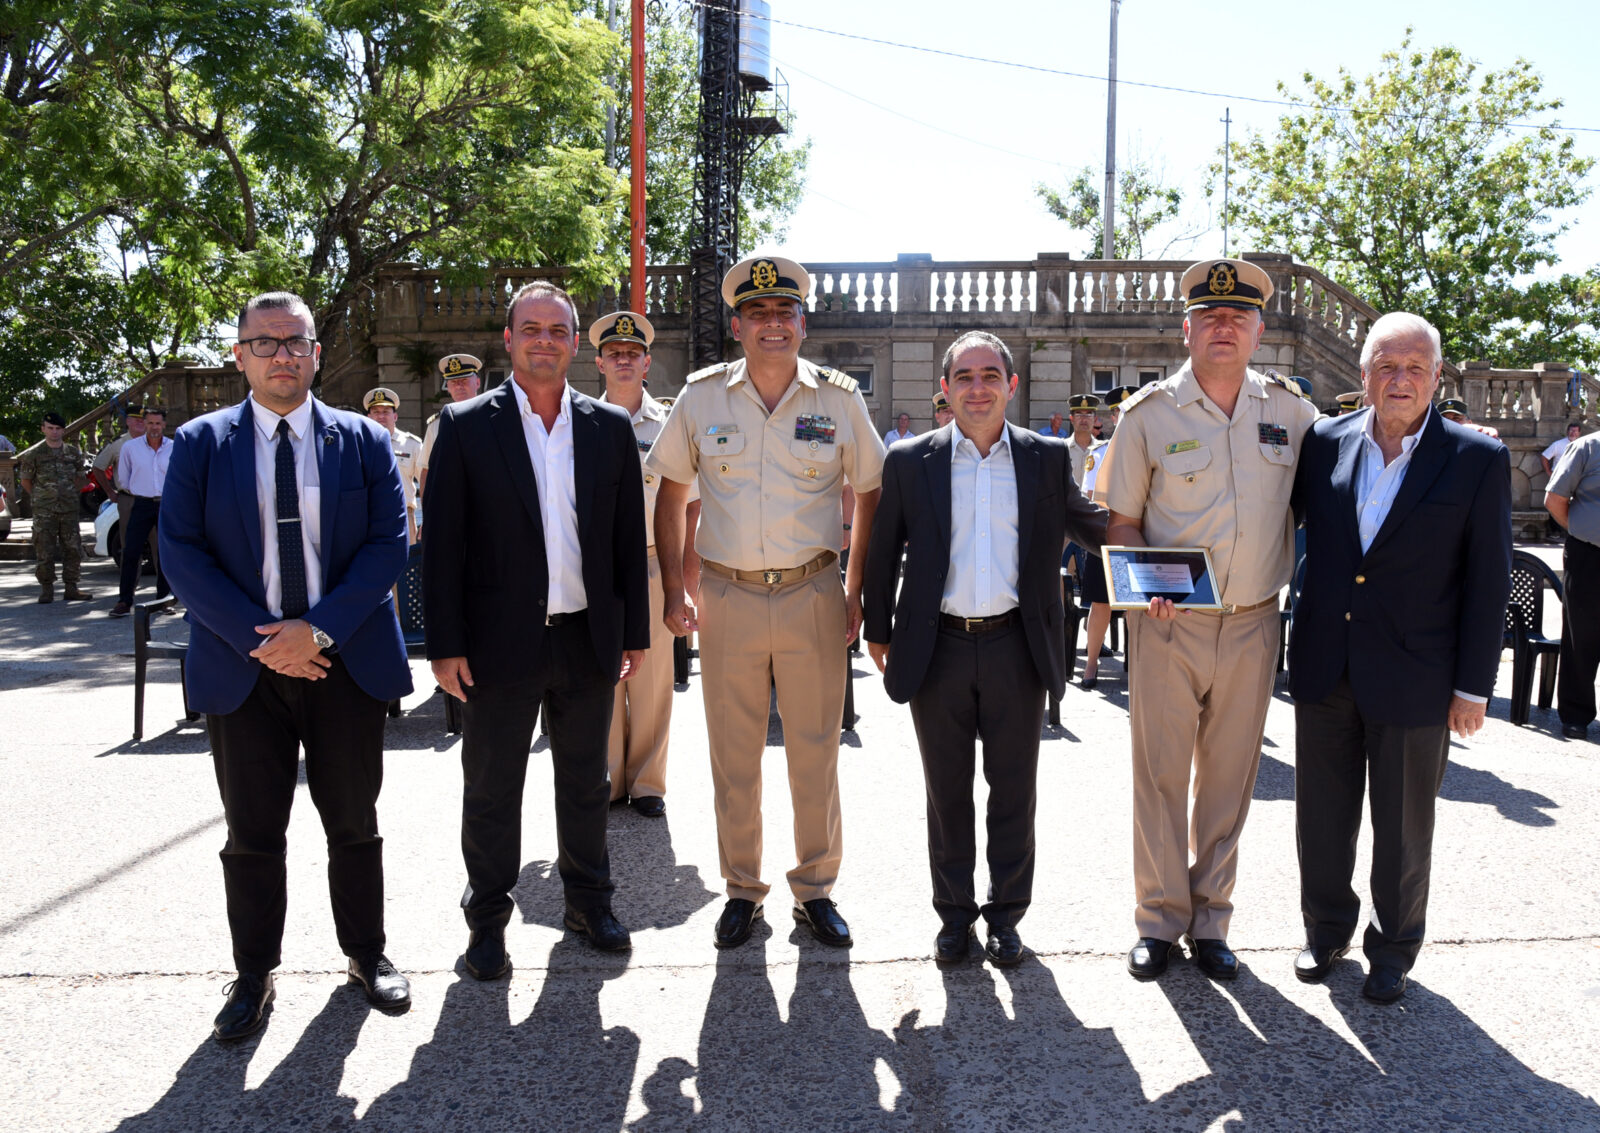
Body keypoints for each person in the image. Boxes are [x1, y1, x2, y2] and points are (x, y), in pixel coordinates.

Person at [159, 291, 414, 1042]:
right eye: (264, 342)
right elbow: (181, 553)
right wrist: (268, 641)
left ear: (314, 353)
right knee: (252, 833)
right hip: (244, 670)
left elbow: (388, 543)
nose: (281, 355)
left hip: (343, 664)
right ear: (239, 355)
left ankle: (366, 954)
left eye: (294, 341)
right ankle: (253, 974)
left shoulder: (363, 440)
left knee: (354, 823)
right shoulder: (199, 444)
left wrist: (318, 632)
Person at [648, 255, 885, 950]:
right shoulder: (701, 398)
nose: (772, 324)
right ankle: (742, 890)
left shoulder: (839, 400)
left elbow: (870, 490)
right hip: (729, 595)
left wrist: (857, 588)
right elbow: (671, 493)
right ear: (737, 326)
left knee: (815, 751)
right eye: (757, 313)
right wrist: (674, 587)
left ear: (803, 323)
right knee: (734, 755)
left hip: (813, 590)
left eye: (784, 312)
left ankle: (815, 890)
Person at [423, 280, 649, 976]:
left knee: (586, 782)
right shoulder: (465, 427)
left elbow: (625, 542)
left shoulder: (608, 427)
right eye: (531, 328)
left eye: (557, 330)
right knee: (492, 787)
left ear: (575, 343)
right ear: (509, 339)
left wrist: (634, 633)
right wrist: (445, 645)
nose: (544, 340)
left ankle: (589, 903)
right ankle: (488, 920)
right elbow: (443, 547)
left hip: (586, 637)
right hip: (497, 644)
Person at [1101, 257, 1318, 982]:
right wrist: (1143, 585)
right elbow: (1122, 521)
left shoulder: (1293, 413)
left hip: (1254, 621)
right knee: (1159, 775)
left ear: (1258, 329)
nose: (1224, 327)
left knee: (1228, 781)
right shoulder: (1147, 415)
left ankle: (1212, 919)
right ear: (1187, 329)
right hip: (1169, 623)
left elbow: (1326, 500)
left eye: (1238, 317)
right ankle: (1159, 920)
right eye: (1210, 316)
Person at [863, 331, 1107, 967]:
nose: (978, 388)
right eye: (964, 377)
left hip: (1016, 647)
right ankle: (954, 916)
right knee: (946, 795)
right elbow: (883, 551)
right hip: (938, 647)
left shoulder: (1045, 457)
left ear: (1011, 385)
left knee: (1013, 793)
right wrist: (878, 630)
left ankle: (1006, 916)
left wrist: (1171, 546)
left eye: (990, 375)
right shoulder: (909, 460)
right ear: (944, 388)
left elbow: (1092, 525)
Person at [1289, 312, 1511, 1003]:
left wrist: (1473, 686)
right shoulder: (1324, 442)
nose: (1400, 379)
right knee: (1321, 816)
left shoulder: (1476, 458)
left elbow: (1488, 579)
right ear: (1363, 375)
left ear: (1437, 376)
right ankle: (1326, 930)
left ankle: (1393, 947)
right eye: (1386, 366)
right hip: (1326, 665)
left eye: (1415, 367)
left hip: (1417, 674)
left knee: (1405, 826)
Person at [591, 310, 700, 818]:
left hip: (655, 565)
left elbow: (692, 505)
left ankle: (648, 783)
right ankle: (609, 779)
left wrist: (687, 581)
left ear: (647, 362)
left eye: (632, 353)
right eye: (614, 353)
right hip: (597, 571)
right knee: (603, 674)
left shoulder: (669, 424)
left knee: (654, 679)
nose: (623, 360)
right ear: (599, 363)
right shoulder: (580, 421)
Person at [1545, 430, 1600, 740]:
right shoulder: (1587, 448)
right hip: (1589, 555)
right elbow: (1555, 500)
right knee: (1582, 634)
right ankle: (1576, 715)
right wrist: (1582, 531)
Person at [18, 411, 93, 604]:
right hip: (45, 511)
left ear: (63, 431)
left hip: (69, 510)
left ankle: (71, 588)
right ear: (43, 429)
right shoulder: (34, 454)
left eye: (58, 428)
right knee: (44, 550)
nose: (54, 432)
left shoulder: (72, 453)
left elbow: (80, 477)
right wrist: (41, 497)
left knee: (72, 549)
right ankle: (47, 589)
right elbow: (26, 481)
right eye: (50, 428)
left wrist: (69, 493)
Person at [109, 408, 174, 617]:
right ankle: (124, 601)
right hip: (141, 503)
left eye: (158, 423)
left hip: (166, 504)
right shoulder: (130, 448)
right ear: (144, 424)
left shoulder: (173, 447)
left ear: (164, 425)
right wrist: (140, 490)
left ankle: (164, 599)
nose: (154, 427)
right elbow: (124, 478)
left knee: (165, 553)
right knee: (130, 552)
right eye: (150, 423)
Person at [93, 406, 163, 585]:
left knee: (160, 545)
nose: (140, 422)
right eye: (135, 419)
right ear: (128, 421)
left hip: (155, 500)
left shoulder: (159, 442)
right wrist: (110, 492)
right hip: (129, 500)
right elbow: (98, 467)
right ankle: (129, 589)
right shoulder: (119, 445)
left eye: (142, 419)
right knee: (130, 546)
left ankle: (165, 591)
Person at [419, 353, 484, 501]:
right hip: (450, 503)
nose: (459, 386)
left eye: (464, 380)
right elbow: (426, 471)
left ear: (477, 382)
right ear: (447, 387)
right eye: (454, 382)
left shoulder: (492, 418)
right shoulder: (436, 425)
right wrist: (427, 510)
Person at [363, 387, 423, 543]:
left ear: (395, 416)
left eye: (386, 412)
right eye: (376, 412)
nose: (381, 416)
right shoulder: (360, 444)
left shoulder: (412, 445)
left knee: (407, 558)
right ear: (368, 417)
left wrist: (430, 517)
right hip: (368, 517)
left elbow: (427, 483)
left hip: (402, 515)